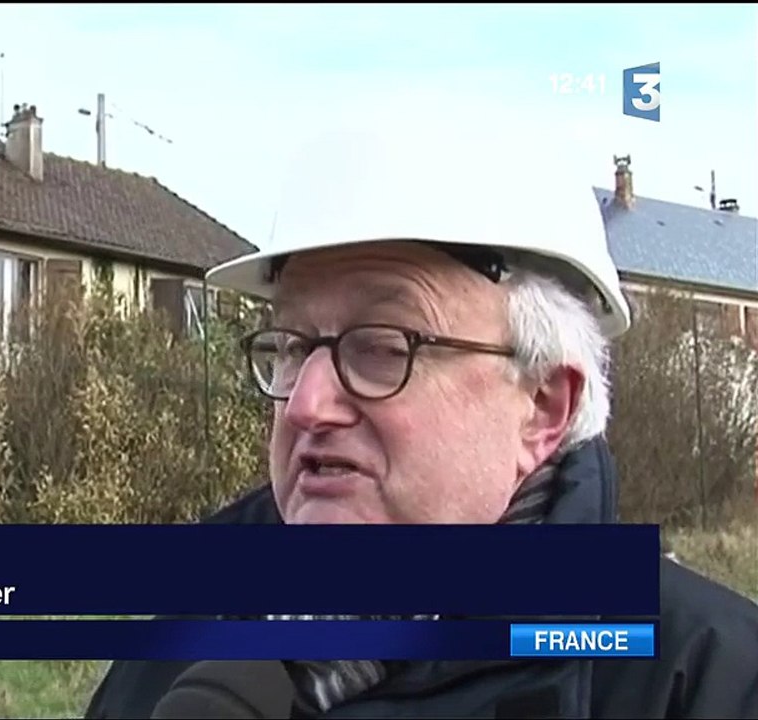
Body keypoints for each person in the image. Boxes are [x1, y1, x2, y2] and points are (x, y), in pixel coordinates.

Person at [82, 132, 758, 718]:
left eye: (384, 346)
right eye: (289, 346)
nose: (307, 403)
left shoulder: (703, 685)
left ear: (544, 406)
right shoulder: (173, 650)